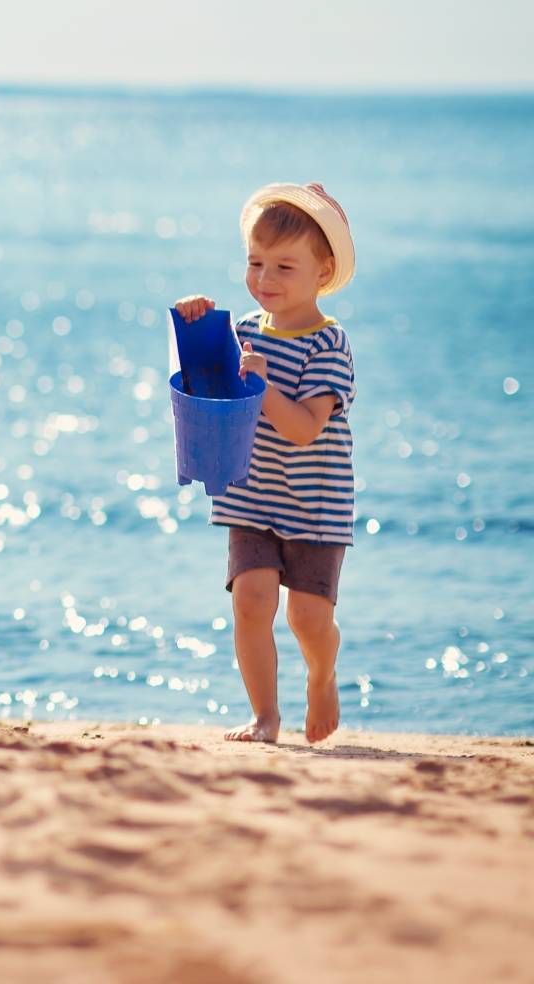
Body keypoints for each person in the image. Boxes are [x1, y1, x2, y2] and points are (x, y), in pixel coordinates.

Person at [174, 182, 357, 745]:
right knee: (252, 601)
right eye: (256, 263)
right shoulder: (244, 333)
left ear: (322, 272)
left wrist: (266, 384)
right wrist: (198, 322)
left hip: (314, 502)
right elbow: (209, 380)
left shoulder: (329, 344)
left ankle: (322, 674)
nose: (265, 279)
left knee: (306, 617)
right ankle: (265, 717)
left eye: (284, 266)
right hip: (251, 495)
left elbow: (304, 429)